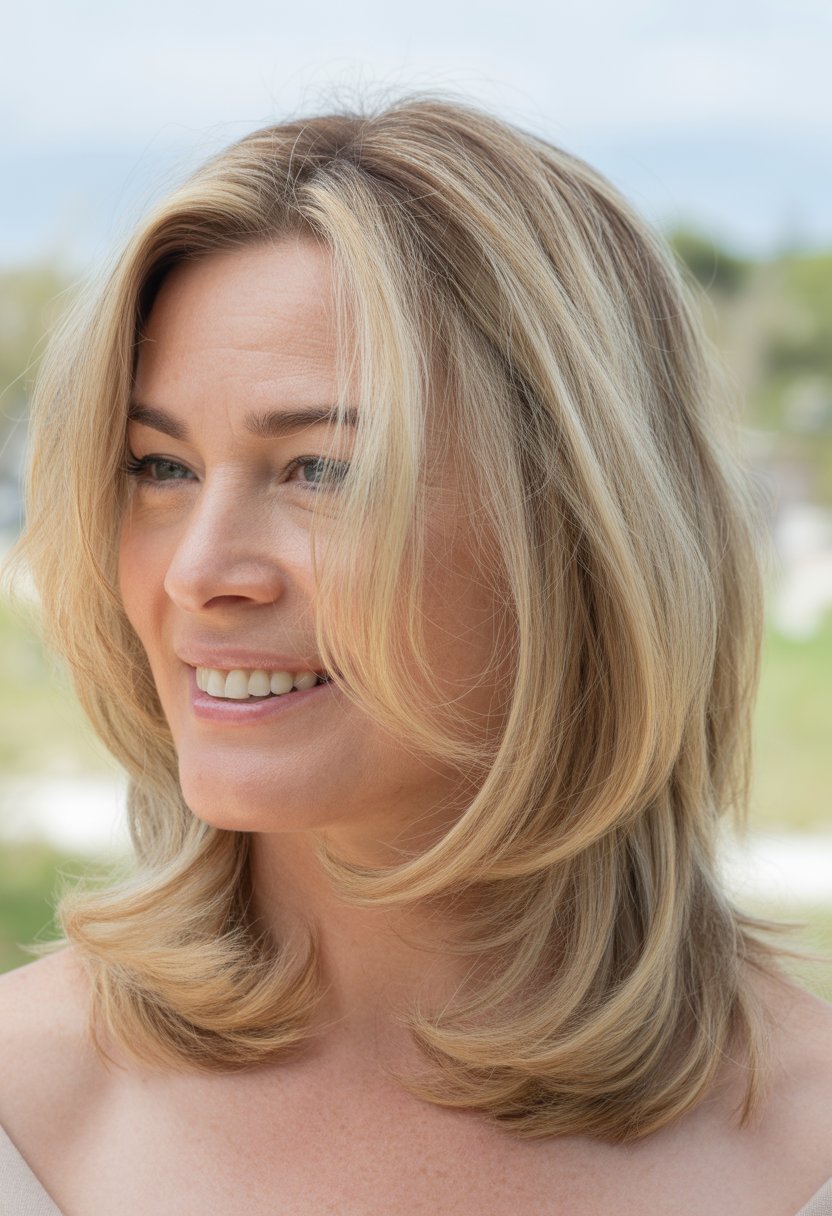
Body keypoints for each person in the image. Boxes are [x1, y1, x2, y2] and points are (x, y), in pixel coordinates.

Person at [0, 91, 830, 1216]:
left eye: (320, 470)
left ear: (578, 530)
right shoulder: (27, 1110)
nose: (199, 570)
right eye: (160, 467)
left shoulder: (803, 1134)